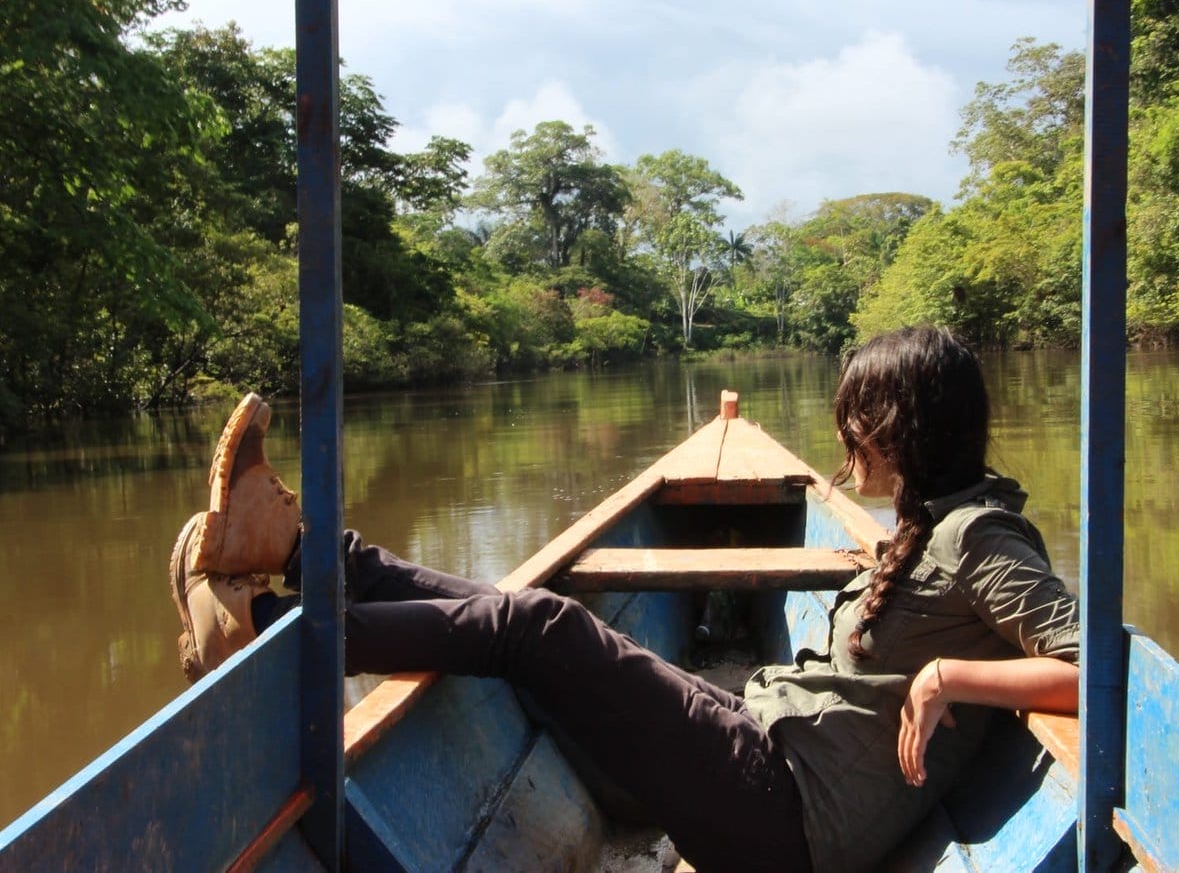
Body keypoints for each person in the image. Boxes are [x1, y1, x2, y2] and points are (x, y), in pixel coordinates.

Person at [169, 325, 1081, 872]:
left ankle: (272, 627)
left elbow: (1093, 666)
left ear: (896, 427)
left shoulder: (977, 537)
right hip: (773, 742)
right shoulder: (937, 521)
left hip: (790, 819)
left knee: (541, 625)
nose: (845, 444)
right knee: (524, 623)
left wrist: (948, 676)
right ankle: (300, 553)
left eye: (856, 421)